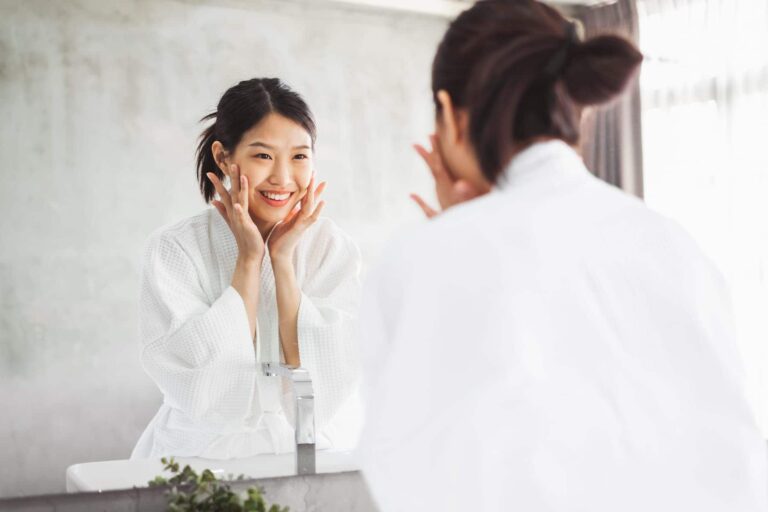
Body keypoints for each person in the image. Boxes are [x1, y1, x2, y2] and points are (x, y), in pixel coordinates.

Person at [356, 1, 768, 510]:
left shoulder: (424, 259)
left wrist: (461, 234)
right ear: (576, 104)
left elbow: (411, 468)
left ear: (448, 114)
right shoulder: (672, 243)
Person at [131, 78, 361, 460]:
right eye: (263, 156)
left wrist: (282, 261)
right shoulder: (174, 248)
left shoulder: (331, 246)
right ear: (224, 158)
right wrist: (250, 260)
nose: (283, 179)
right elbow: (204, 386)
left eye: (300, 157)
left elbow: (330, 382)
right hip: (201, 453)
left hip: (314, 448)